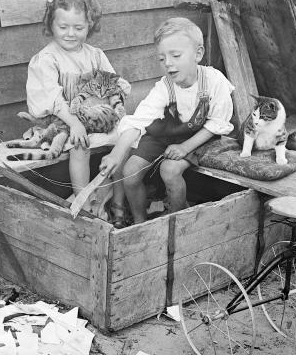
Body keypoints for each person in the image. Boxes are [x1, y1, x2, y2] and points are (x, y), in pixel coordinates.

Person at [99, 17, 235, 227]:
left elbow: (217, 123)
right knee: (129, 172)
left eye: (175, 55)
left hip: (199, 138)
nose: (168, 63)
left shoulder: (214, 82)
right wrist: (116, 153)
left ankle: (176, 224)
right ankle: (140, 223)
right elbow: (138, 121)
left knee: (169, 170)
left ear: (198, 54)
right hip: (165, 135)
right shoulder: (164, 87)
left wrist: (185, 147)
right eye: (162, 59)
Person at [25, 0, 130, 210]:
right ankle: (83, 203)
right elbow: (53, 99)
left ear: (89, 26)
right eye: (63, 27)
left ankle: (118, 202)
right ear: (51, 24)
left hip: (96, 119)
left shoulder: (95, 55)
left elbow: (110, 84)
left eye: (78, 28)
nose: (71, 34)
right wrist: (74, 124)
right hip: (63, 121)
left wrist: (119, 87)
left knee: (126, 139)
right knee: (79, 145)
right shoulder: (47, 59)